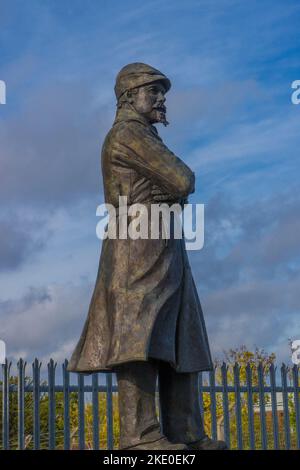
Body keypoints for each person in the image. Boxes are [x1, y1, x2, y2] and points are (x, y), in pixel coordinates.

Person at [68, 63, 226, 450]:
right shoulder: (128, 134)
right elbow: (182, 179)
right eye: (153, 92)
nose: (161, 99)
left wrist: (169, 195)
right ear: (128, 98)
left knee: (180, 336)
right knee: (139, 335)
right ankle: (140, 436)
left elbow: (176, 186)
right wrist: (171, 192)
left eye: (162, 93)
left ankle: (186, 432)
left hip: (164, 240)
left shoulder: (146, 135)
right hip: (138, 245)